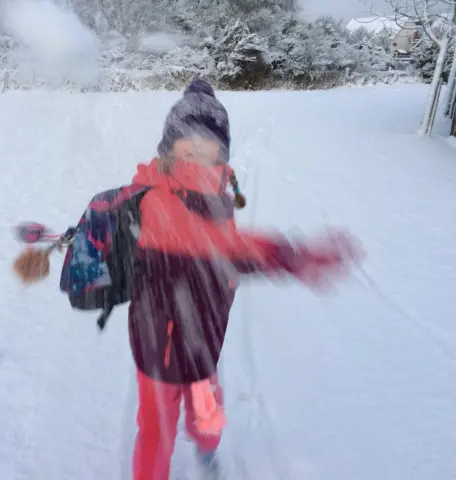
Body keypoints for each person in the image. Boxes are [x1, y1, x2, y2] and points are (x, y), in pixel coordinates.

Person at [124, 78, 362, 480]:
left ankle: (205, 449)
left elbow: (223, 250)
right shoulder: (153, 198)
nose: (199, 153)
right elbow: (224, 246)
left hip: (203, 342)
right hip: (158, 349)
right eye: (189, 144)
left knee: (207, 412)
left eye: (209, 145)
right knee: (155, 432)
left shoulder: (215, 194)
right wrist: (290, 255)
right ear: (169, 146)